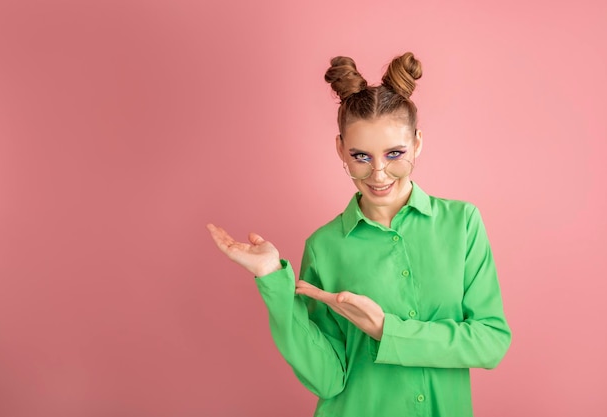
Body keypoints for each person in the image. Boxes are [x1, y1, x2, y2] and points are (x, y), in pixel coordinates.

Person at [207, 52, 511, 417]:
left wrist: (387, 330)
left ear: (417, 143)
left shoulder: (461, 224)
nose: (379, 173)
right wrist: (272, 279)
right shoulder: (324, 246)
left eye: (394, 153)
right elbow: (327, 380)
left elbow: (491, 342)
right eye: (361, 156)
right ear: (341, 151)